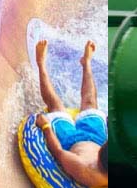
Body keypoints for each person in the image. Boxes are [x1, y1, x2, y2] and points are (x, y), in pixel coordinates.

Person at [33, 40, 108, 187]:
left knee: (56, 106)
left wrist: (46, 126)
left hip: (70, 141)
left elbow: (58, 152)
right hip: (96, 138)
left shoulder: (84, 168)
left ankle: (41, 63)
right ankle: (86, 63)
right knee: (90, 102)